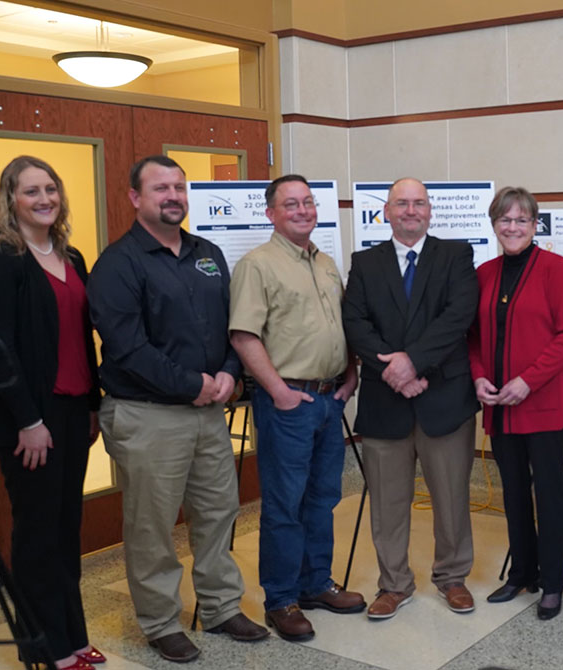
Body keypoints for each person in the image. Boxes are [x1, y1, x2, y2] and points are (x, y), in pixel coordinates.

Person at [88, 155, 268, 663]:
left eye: (179, 187)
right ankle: (160, 622)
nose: (173, 196)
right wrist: (194, 384)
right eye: (160, 188)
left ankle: (221, 607)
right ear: (135, 197)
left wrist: (230, 372)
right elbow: (127, 346)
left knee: (218, 512)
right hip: (148, 414)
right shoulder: (118, 264)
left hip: (208, 411)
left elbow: (232, 322)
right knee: (152, 525)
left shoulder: (206, 253)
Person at [0, 156, 106, 670]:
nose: (44, 199)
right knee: (38, 531)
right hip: (26, 420)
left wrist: (92, 405)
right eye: (31, 191)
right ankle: (45, 647)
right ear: (11, 199)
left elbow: (81, 339)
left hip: (72, 409)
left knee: (66, 528)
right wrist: (29, 421)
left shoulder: (72, 256)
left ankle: (72, 636)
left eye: (50, 188)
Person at [229, 175, 364, 641]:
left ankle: (315, 583)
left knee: (323, 498)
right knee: (285, 504)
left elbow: (341, 325)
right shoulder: (257, 265)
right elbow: (244, 335)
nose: (303, 210)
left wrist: (351, 373)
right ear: (271, 213)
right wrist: (278, 392)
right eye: (291, 204)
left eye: (308, 202)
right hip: (287, 402)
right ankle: (282, 598)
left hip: (329, 399)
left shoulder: (325, 263)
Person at [342, 177, 480, 620]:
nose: (410, 210)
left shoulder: (455, 256)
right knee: (387, 503)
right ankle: (394, 584)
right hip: (386, 402)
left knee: (452, 498)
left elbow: (458, 317)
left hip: (445, 401)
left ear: (430, 210)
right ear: (386, 211)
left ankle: (452, 577)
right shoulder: (365, 263)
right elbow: (355, 322)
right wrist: (395, 373)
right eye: (401, 203)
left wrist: (413, 363)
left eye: (419, 203)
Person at [468, 187, 563, 620]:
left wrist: (528, 381)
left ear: (535, 226)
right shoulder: (484, 273)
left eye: (521, 220)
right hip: (500, 406)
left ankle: (551, 583)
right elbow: (472, 337)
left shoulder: (555, 269)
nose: (512, 227)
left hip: (544, 403)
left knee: (549, 496)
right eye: (505, 220)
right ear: (494, 225)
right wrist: (479, 375)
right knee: (513, 494)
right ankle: (521, 574)